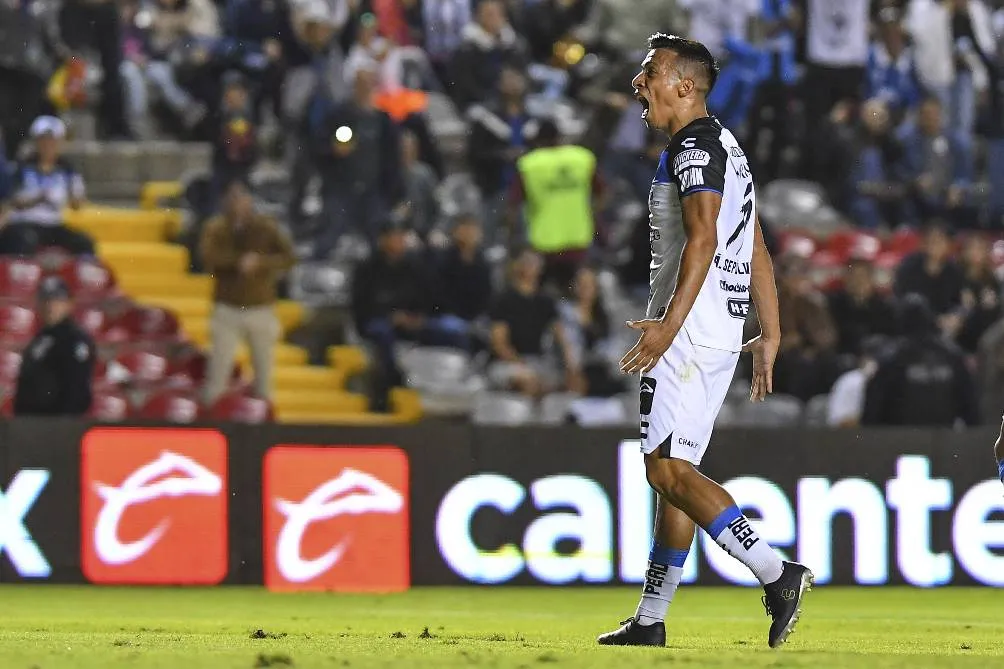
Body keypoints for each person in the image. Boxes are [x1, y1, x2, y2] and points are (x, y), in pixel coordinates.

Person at [596, 34, 811, 650]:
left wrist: (667, 325)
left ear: (684, 86)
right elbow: (757, 247)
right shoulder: (726, 147)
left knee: (664, 470)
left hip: (689, 332)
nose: (640, 84)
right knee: (678, 473)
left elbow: (704, 239)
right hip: (717, 331)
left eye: (650, 73)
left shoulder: (695, 148)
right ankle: (651, 616)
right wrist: (769, 331)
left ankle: (776, 571)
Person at [198, 179, 296, 405]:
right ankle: (214, 419)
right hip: (227, 307)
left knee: (264, 373)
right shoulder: (216, 228)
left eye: (241, 198)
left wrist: (260, 263)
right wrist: (236, 262)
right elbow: (208, 256)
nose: (237, 204)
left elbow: (288, 257)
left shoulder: (265, 227)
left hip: (260, 306)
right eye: (232, 198)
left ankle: (265, 420)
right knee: (218, 372)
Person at [513, 119, 600, 294]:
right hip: (578, 239)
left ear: (537, 140)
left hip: (544, 242)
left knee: (540, 294)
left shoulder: (530, 164)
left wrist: (516, 238)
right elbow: (602, 192)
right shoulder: (582, 158)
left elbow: (513, 203)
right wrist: (590, 213)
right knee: (577, 294)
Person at [863, 293, 978, 426]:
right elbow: (972, 412)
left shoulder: (891, 358)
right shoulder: (953, 356)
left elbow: (872, 414)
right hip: (944, 442)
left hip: (899, 442)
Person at [487, 249, 582, 396]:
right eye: (526, 262)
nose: (529, 267)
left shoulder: (545, 301)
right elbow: (499, 343)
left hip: (538, 361)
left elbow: (561, 338)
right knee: (528, 381)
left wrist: (571, 368)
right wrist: (521, 364)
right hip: (508, 363)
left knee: (576, 383)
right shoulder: (503, 300)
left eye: (533, 263)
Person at [0, 116, 94, 257]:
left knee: (83, 242)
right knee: (24, 240)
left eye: (52, 141)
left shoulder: (68, 171)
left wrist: (75, 199)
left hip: (53, 223)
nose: (48, 145)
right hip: (26, 222)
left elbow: (78, 203)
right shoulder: (21, 168)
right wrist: (35, 200)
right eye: (43, 140)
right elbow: (10, 200)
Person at [13, 276, 94, 416]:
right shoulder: (40, 338)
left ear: (69, 303)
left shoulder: (75, 339)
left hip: (57, 425)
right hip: (31, 424)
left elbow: (77, 388)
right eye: (45, 299)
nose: (50, 305)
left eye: (57, 300)